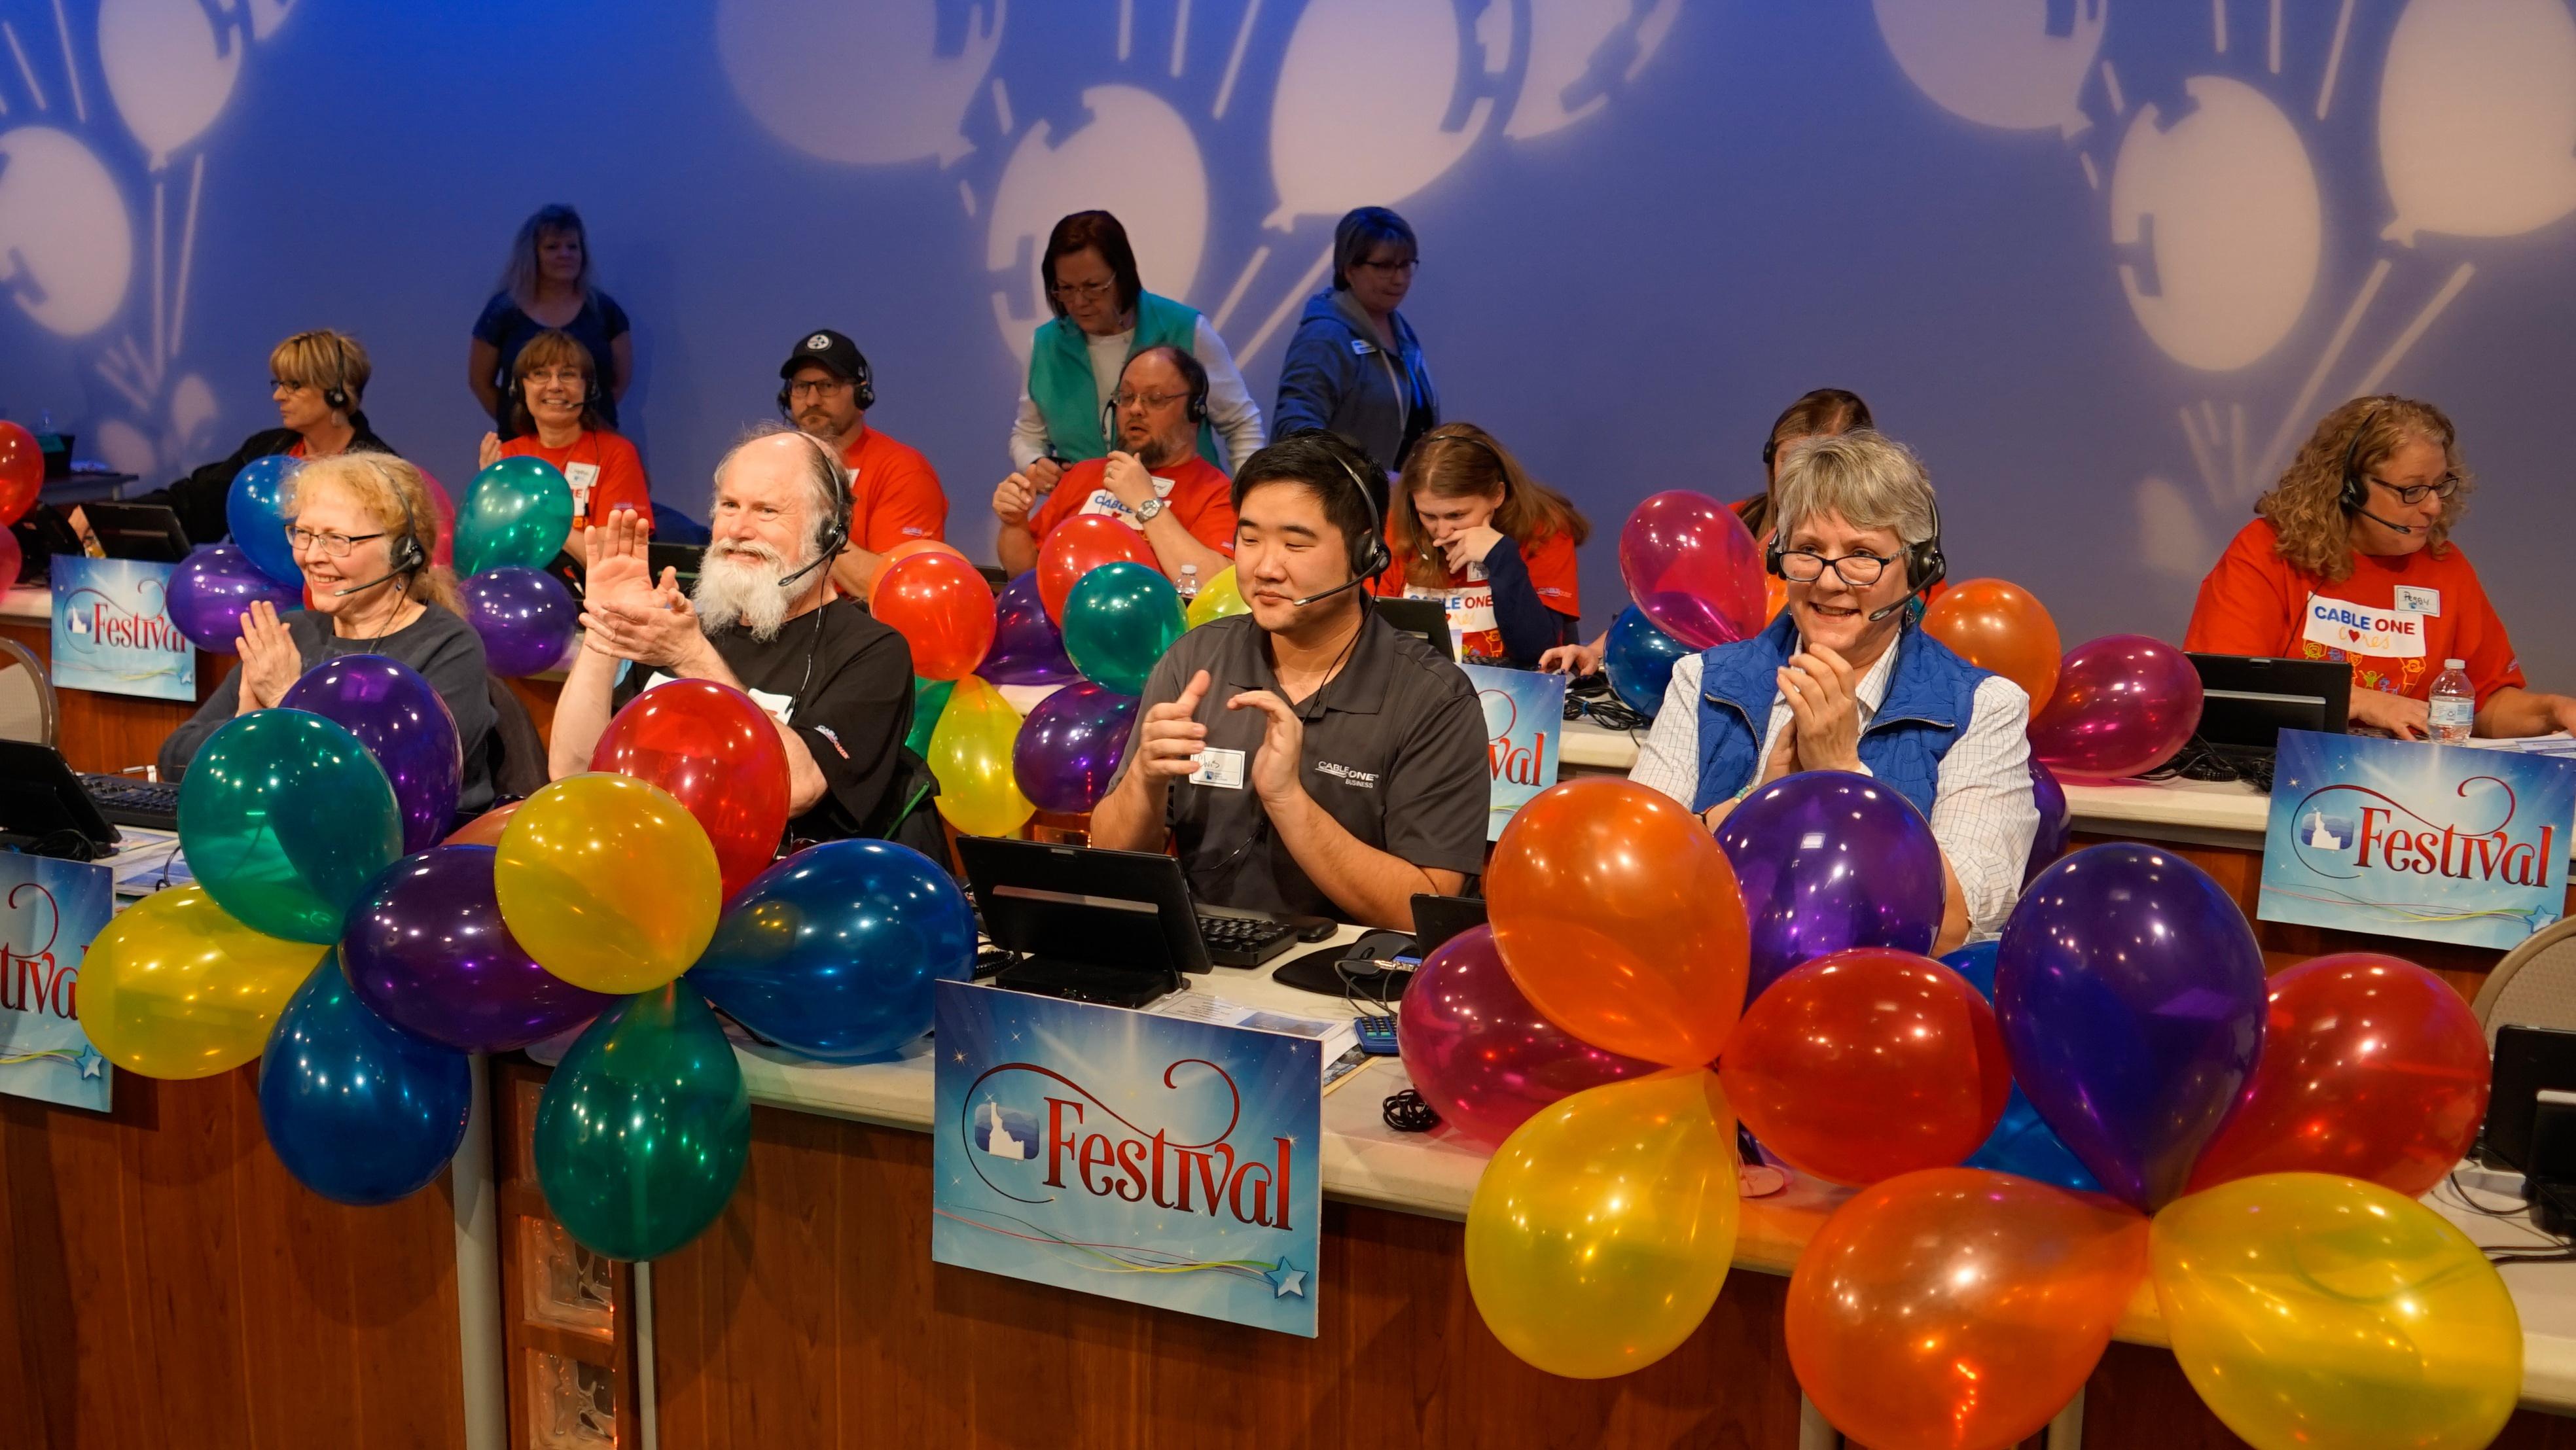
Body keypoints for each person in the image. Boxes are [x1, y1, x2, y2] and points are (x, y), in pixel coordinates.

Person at [1628, 431, 2037, 951]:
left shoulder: (1985, 709)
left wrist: (1843, 775)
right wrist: (1756, 805)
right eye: (1808, 550)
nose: (1828, 581)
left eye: (1863, 555)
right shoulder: (1702, 682)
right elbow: (1635, 873)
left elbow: (1956, 922)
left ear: (1916, 567)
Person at [1088, 432, 1489, 928]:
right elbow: (1108, 857)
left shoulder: (1434, 698)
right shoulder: (1195, 659)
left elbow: (1424, 910)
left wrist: (1288, 801)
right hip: (1204, 968)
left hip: (1349, 985)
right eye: (1250, 539)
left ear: (1365, 553)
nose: (1264, 567)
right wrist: (1144, 784)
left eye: (1295, 544)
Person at [547, 427, 933, 849]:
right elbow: (573, 769)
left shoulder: (873, 652)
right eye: (729, 506)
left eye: (767, 510)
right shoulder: (687, 629)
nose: (739, 529)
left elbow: (797, 789)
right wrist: (608, 626)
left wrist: (694, 658)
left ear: (829, 532)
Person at [2185, 395, 2576, 739]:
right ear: (2347, 487)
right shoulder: (2268, 550)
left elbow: (2482, 703)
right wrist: (2359, 701)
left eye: (2439, 485)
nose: (2433, 506)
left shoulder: (2446, 566)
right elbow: (2227, 685)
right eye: (2412, 489)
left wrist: (2553, 711)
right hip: (2280, 778)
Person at [158, 453, 497, 817]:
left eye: (336, 539)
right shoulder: (292, 634)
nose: (311, 556)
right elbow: (173, 757)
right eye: (303, 534)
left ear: (404, 553)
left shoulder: (448, 647)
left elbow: (385, 791)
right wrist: (244, 729)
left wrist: (282, 701)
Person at [1540, 387, 1873, 675]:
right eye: (1790, 459)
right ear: (1771, 460)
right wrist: (1595, 652)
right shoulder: (1734, 523)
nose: (1802, 477)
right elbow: (1667, 604)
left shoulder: (1878, 545)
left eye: (1820, 462)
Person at [1007, 210, 1264, 482]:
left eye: (1093, 286)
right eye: (1066, 289)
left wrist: (1246, 499)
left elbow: (1241, 424)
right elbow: (1028, 434)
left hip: (1187, 510)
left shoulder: (1185, 329)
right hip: (1087, 510)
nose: (1079, 302)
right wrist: (1034, 463)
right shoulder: (1046, 345)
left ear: (1123, 276)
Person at [992, 345, 1235, 586]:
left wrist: (1146, 503)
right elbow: (1023, 574)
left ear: (1194, 411)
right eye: (1127, 397)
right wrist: (1015, 524)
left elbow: (1215, 585)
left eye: (1156, 399)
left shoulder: (1217, 493)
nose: (1136, 409)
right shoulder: (1082, 474)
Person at [139, 329, 398, 550]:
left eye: (294, 386)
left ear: (337, 394)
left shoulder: (381, 472)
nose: (279, 397)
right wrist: (116, 514)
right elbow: (197, 502)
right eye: (279, 384)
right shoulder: (264, 449)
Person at [1376, 423, 1586, 667]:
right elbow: (1373, 638)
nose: (1442, 533)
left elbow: (1537, 654)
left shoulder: (1545, 528)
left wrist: (1502, 556)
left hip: (1516, 692)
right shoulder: (1396, 527)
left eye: (1456, 516)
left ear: (1497, 495)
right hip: (1418, 687)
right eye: (1429, 516)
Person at [775, 328, 946, 599]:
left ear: (860, 396)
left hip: (855, 630)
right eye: (801, 387)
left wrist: (819, 525)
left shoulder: (902, 469)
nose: (812, 400)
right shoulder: (771, 463)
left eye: (827, 386)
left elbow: (897, 585)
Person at [1274, 207, 1438, 478]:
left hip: (1395, 505)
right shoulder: (1325, 335)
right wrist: (1368, 479)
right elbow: (1295, 431)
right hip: (1342, 506)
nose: (1399, 278)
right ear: (1349, 269)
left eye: (1406, 265)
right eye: (1385, 266)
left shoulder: (1399, 328)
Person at [476, 329, 652, 565]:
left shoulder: (617, 453)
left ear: (588, 389)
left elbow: (609, 561)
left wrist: (535, 511)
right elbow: (487, 556)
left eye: (568, 375)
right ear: (520, 389)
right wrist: (488, 492)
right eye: (540, 374)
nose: (555, 386)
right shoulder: (508, 456)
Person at [469, 205, 632, 434]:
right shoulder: (502, 312)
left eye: (573, 247)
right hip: (523, 444)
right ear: (532, 254)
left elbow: (619, 382)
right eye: (552, 247)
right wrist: (521, 422)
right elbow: (480, 383)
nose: (565, 254)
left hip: (595, 441)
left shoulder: (604, 311)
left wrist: (576, 421)